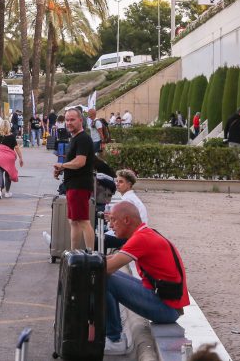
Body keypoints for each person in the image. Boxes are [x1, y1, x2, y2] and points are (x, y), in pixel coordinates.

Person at [102, 201, 188, 356]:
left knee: (104, 278)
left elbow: (108, 267)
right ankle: (112, 335)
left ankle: (114, 340)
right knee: (108, 275)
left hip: (166, 309)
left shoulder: (141, 239)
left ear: (126, 220)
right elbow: (112, 259)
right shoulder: (145, 233)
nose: (111, 225)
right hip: (166, 303)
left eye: (114, 220)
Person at [51, 107, 96, 251]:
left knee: (83, 221)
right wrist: (62, 168)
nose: (69, 123)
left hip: (79, 186)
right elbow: (74, 161)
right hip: (73, 185)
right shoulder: (75, 138)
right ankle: (73, 253)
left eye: (72, 119)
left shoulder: (83, 138)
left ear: (80, 120)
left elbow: (80, 162)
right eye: (67, 120)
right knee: (74, 221)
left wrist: (63, 165)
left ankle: (90, 255)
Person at [103, 169, 148, 251]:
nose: (117, 184)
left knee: (97, 240)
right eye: (117, 181)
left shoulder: (127, 200)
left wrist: (110, 218)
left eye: (121, 182)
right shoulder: (130, 197)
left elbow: (125, 222)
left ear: (129, 184)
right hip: (135, 232)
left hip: (131, 235)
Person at [0, 120, 24, 199]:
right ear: (9, 127)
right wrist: (21, 158)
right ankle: (7, 192)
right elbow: (17, 148)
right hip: (9, 159)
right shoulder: (12, 137)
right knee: (8, 175)